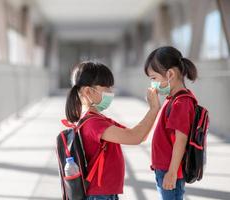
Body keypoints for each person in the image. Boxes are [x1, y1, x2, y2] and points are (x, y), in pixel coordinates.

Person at [65, 61, 160, 200]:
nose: (111, 92)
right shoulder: (93, 123)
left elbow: (139, 136)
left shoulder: (96, 119)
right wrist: (153, 109)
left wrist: (153, 111)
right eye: (107, 88)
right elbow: (134, 137)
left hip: (104, 192)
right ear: (87, 91)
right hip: (99, 194)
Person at [144, 46, 198, 200]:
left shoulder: (181, 103)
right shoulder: (174, 100)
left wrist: (172, 172)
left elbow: (181, 140)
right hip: (164, 169)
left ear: (170, 74)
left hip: (170, 170)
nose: (152, 83)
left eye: (154, 78)